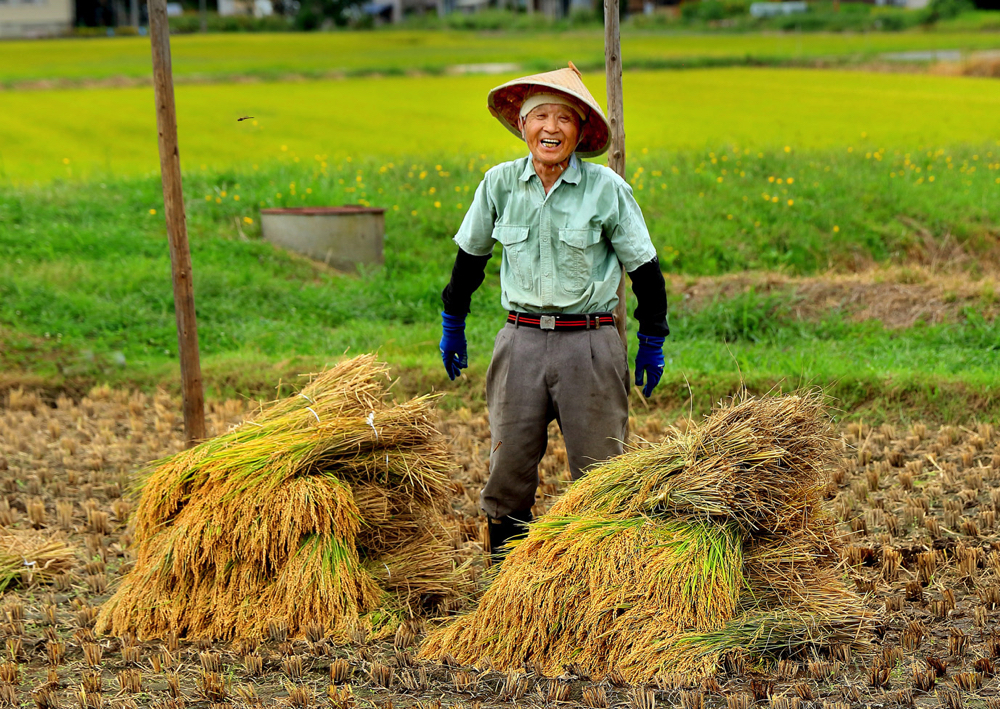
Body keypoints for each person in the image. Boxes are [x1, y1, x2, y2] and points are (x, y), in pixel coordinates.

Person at [438, 62, 669, 557]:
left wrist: (652, 340)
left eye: (564, 118)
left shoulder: (606, 189)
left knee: (602, 475)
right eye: (539, 116)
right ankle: (508, 586)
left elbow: (646, 272)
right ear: (522, 126)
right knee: (508, 472)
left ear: (580, 130)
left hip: (589, 344)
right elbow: (469, 260)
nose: (551, 128)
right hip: (519, 343)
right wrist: (452, 323)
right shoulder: (499, 184)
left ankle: (602, 588)